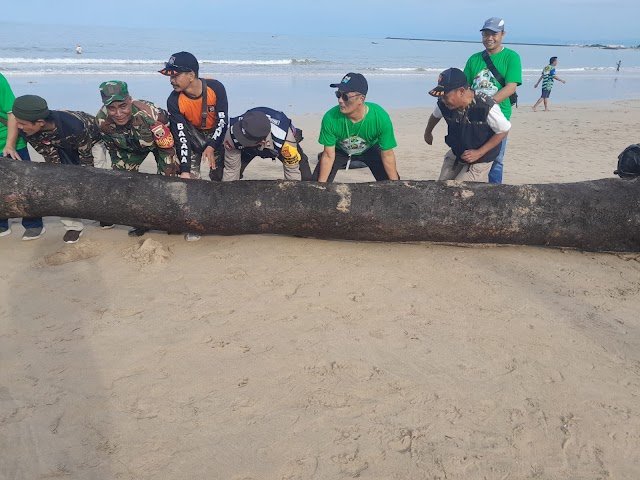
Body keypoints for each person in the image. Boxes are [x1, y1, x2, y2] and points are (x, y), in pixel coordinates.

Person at [12, 94, 106, 243]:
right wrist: (61, 178)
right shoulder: (27, 131)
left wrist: (83, 184)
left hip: (90, 142)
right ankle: (73, 226)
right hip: (59, 147)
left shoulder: (74, 126)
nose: (18, 127)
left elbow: (87, 162)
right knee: (59, 183)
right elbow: (49, 156)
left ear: (40, 122)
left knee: (98, 178)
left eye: (22, 123)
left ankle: (104, 215)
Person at [95, 80, 183, 237]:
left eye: (123, 106)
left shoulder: (153, 115)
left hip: (159, 146)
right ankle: (141, 221)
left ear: (129, 100)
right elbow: (113, 149)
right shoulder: (102, 121)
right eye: (111, 108)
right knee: (123, 182)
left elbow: (168, 145)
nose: (118, 113)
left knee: (169, 180)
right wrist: (120, 170)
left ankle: (172, 220)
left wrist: (169, 168)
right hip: (130, 148)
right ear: (105, 105)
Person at [424, 68, 511, 182]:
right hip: (457, 152)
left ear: (461, 91)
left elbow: (504, 130)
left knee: (460, 192)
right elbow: (435, 116)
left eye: (445, 96)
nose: (443, 100)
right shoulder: (445, 105)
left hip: (481, 157)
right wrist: (428, 133)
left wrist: (479, 152)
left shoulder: (484, 106)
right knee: (442, 186)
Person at [464, 17, 522, 184]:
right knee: (472, 154)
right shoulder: (474, 59)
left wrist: (487, 105)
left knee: (496, 159)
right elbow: (465, 87)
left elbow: (511, 87)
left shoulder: (511, 57)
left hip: (499, 114)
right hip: (473, 117)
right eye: (485, 34)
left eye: (494, 34)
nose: (489, 38)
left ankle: (495, 192)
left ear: (502, 34)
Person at [313, 72, 399, 182]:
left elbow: (387, 155)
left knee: (391, 182)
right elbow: (328, 156)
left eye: (345, 97)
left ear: (361, 99)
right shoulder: (330, 118)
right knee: (316, 182)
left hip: (370, 148)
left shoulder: (380, 117)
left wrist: (396, 186)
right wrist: (321, 188)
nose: (340, 100)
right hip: (340, 149)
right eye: (338, 95)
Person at [159, 51, 228, 182]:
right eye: (170, 77)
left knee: (218, 177)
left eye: (175, 76)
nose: (171, 81)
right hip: (192, 137)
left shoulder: (216, 88)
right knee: (191, 180)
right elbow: (181, 136)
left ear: (191, 75)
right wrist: (185, 170)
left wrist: (212, 146)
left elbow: (223, 122)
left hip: (216, 135)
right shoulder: (173, 100)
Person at [0, 73, 45, 241]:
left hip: (8, 141)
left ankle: (33, 224)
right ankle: (1, 224)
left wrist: (10, 144)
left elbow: (12, 113)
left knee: (23, 185)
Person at [222, 107, 312, 181]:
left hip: (278, 146)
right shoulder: (233, 134)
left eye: (244, 140)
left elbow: (292, 171)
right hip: (247, 150)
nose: (240, 139)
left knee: (305, 178)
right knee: (219, 175)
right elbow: (231, 170)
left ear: (263, 141)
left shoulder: (285, 141)